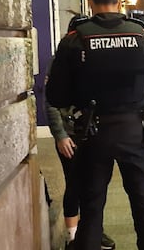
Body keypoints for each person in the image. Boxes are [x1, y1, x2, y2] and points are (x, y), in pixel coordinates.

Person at [46, 0, 144, 250]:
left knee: (91, 212)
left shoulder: (75, 38)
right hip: (134, 132)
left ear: (90, 2)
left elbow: (56, 96)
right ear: (119, 1)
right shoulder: (142, 36)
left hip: (92, 134)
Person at [44, 15, 115, 250]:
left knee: (94, 185)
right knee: (74, 185)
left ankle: (93, 230)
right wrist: (60, 135)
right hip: (70, 135)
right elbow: (51, 103)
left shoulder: (90, 60)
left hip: (93, 134)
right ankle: (73, 236)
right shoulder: (61, 61)